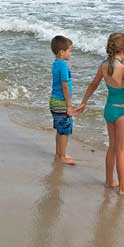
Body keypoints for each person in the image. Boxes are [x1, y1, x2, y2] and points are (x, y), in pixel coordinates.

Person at [76, 33, 124, 195]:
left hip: (109, 109)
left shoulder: (103, 66)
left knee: (112, 147)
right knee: (121, 150)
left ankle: (109, 181)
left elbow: (93, 84)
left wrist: (84, 102)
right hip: (122, 111)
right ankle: (123, 188)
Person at [49, 35, 79, 165]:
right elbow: (65, 85)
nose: (70, 53)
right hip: (61, 101)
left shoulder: (56, 64)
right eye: (69, 50)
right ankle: (62, 156)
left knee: (60, 130)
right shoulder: (63, 66)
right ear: (62, 52)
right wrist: (69, 105)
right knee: (65, 130)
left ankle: (59, 153)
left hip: (54, 100)